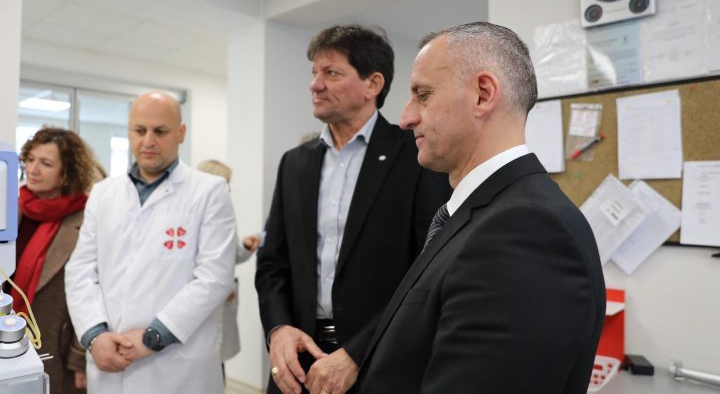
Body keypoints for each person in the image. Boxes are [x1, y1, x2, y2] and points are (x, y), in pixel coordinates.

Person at [356, 22, 606, 393]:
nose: (406, 118)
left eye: (423, 95)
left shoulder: (525, 231)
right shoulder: (481, 215)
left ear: (483, 95)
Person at [255, 24, 450, 394]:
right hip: (298, 361)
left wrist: (358, 352)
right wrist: (278, 330)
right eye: (314, 72)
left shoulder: (416, 157)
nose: (315, 85)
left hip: (378, 361)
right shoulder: (295, 163)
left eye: (331, 73)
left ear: (372, 84)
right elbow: (272, 263)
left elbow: (427, 270)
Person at [64, 91, 236, 393]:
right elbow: (80, 270)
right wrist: (94, 334)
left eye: (160, 131)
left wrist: (153, 337)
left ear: (180, 133)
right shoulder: (103, 193)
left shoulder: (209, 191)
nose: (148, 141)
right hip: (108, 360)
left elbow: (214, 277)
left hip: (177, 366)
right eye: (139, 130)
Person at [15, 126, 100, 394]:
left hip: (56, 345)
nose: (33, 169)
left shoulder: (88, 219)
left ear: (66, 173)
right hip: (6, 337)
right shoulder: (11, 210)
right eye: (30, 159)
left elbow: (96, 291)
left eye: (46, 163)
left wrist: (80, 357)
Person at [195, 159, 262, 365]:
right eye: (226, 184)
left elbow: (227, 255)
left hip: (221, 301)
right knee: (206, 359)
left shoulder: (222, 215)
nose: (230, 190)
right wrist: (221, 289)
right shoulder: (195, 217)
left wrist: (245, 246)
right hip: (206, 302)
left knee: (218, 360)